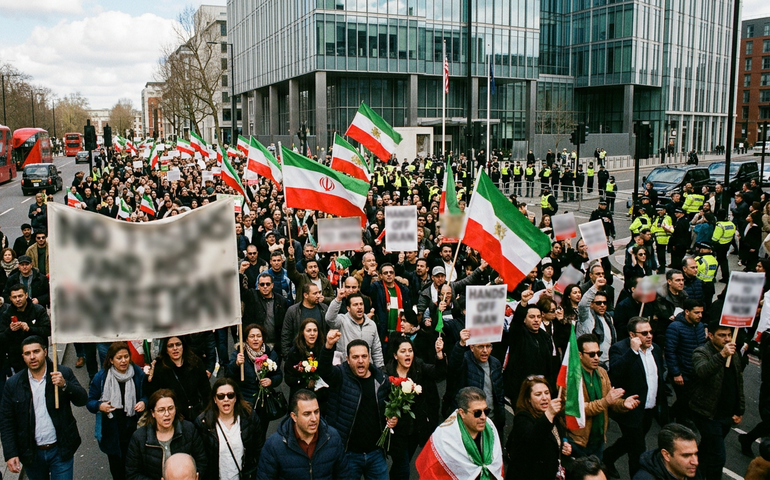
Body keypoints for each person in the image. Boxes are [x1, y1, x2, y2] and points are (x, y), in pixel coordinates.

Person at [0, 336, 87, 480]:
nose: (32, 357)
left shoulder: (62, 373)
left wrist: (65, 385)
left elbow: (82, 399)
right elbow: (6, 420)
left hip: (60, 449)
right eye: (27, 353)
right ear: (23, 356)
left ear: (45, 352)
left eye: (36, 351)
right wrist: (10, 453)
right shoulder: (14, 384)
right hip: (32, 454)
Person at [317, 331, 395, 480]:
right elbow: (324, 371)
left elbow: (389, 407)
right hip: (348, 454)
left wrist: (393, 417)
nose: (360, 361)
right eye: (355, 357)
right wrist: (328, 346)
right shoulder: (340, 376)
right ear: (347, 359)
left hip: (376, 454)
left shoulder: (382, 380)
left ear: (369, 357)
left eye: (364, 356)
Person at [603, 318, 667, 478]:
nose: (649, 336)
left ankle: (608, 456)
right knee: (638, 451)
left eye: (651, 332)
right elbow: (615, 374)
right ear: (632, 334)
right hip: (629, 409)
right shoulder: (620, 349)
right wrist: (632, 352)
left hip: (648, 408)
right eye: (644, 333)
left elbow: (658, 378)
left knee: (630, 441)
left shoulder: (656, 349)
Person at [564, 334, 639, 459]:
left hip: (598, 439)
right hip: (578, 441)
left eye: (599, 353)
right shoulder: (571, 378)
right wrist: (606, 401)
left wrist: (623, 403)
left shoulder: (602, 372)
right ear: (580, 355)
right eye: (592, 354)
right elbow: (578, 409)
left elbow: (610, 401)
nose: (597, 358)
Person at [384, 335, 446, 479]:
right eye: (403, 351)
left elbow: (439, 373)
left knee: (401, 465)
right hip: (396, 431)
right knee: (404, 468)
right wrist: (388, 416)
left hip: (414, 429)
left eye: (410, 351)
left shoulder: (419, 367)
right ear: (395, 355)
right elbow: (382, 401)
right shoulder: (387, 373)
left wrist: (439, 354)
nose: (408, 354)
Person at [689, 320, 744, 480]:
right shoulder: (701, 352)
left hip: (725, 415)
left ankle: (693, 475)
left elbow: (737, 382)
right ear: (710, 335)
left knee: (706, 451)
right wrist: (721, 356)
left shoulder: (733, 354)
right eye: (722, 335)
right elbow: (702, 371)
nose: (727, 339)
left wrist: (739, 410)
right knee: (718, 457)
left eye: (728, 335)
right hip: (707, 413)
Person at [87, 342, 148, 480]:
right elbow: (90, 402)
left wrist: (144, 402)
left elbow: (147, 395)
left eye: (126, 356)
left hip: (133, 428)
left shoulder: (137, 373)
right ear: (111, 360)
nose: (123, 361)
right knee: (117, 470)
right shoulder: (101, 377)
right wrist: (99, 406)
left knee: (135, 468)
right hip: (112, 431)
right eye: (119, 358)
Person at [256, 389, 348, 480]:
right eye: (307, 414)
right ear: (294, 417)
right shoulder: (274, 445)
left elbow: (344, 475)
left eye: (316, 412)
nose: (314, 418)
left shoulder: (332, 438)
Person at [415, 387, 504, 480]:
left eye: (486, 411)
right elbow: (433, 472)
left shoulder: (490, 427)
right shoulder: (444, 438)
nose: (483, 417)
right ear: (462, 413)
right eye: (477, 413)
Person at [125, 389, 207, 480]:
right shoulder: (139, 438)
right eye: (161, 410)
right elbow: (132, 473)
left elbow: (202, 461)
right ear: (153, 413)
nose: (167, 414)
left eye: (171, 408)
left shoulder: (189, 429)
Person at [194, 378, 264, 480]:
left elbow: (259, 449)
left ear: (235, 398)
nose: (226, 399)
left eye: (230, 395)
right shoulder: (203, 423)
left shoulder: (249, 417)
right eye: (221, 396)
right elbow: (200, 457)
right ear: (215, 399)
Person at [507, 376, 572, 480]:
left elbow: (558, 437)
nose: (544, 398)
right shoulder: (522, 418)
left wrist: (565, 445)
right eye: (538, 394)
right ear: (528, 399)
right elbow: (532, 442)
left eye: (547, 393)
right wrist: (549, 414)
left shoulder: (554, 416)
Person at [504, 293, 558, 401]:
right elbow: (516, 322)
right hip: (521, 390)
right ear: (524, 319)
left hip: (540, 389)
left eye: (539, 317)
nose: (536, 320)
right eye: (532, 317)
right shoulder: (519, 335)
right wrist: (523, 303)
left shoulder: (546, 337)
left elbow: (549, 366)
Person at [145, 336, 211, 422]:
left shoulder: (195, 362)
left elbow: (206, 391)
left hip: (195, 414)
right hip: (172, 417)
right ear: (166, 349)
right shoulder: (159, 367)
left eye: (178, 344)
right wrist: (149, 378)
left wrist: (206, 413)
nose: (175, 348)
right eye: (171, 346)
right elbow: (153, 395)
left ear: (183, 346)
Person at [665, 299, 706, 425]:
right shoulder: (675, 327)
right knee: (684, 399)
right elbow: (670, 351)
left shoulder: (699, 326)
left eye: (701, 312)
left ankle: (673, 415)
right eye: (696, 312)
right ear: (687, 312)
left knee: (690, 398)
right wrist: (676, 373)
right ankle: (677, 422)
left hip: (695, 371)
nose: (700, 315)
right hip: (682, 371)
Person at [228, 324, 283, 409]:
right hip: (245, 400)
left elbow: (278, 375)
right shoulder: (239, 354)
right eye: (252, 336)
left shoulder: (270, 353)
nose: (255, 339)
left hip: (264, 400)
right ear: (246, 339)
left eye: (258, 336)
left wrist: (271, 381)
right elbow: (228, 375)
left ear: (262, 339)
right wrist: (236, 364)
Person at [325, 291, 385, 369]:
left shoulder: (371, 324)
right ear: (348, 308)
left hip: (366, 369)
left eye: (361, 304)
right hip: (346, 369)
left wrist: (380, 368)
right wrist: (338, 299)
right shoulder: (342, 320)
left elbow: (376, 349)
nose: (359, 307)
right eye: (355, 305)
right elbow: (329, 318)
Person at [0, 283, 51, 373]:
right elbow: (2, 338)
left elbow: (47, 330)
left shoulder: (38, 310)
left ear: (26, 295)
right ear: (10, 298)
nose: (18, 299)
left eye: (20, 296)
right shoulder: (6, 314)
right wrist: (10, 330)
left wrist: (29, 329)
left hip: (38, 355)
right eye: (14, 297)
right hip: (17, 359)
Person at [240, 271, 289, 357]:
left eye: (267, 284)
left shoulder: (281, 300)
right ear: (258, 286)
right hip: (256, 344)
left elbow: (284, 324)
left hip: (275, 343)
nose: (265, 287)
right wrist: (241, 273)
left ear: (272, 285)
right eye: (262, 284)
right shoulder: (251, 295)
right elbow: (239, 290)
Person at [634, 424, 700, 480]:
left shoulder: (691, 471)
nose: (695, 462)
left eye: (696, 454)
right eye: (686, 456)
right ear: (666, 455)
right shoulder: (645, 478)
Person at [280, 283, 328, 360]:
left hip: (319, 355)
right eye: (315, 293)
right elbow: (286, 335)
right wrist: (288, 357)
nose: (318, 296)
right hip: (298, 356)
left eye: (319, 292)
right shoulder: (293, 311)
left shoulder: (324, 309)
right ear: (305, 295)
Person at [577, 279, 616, 370]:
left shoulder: (609, 318)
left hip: (608, 362)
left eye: (604, 303)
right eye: (598, 303)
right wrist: (596, 287)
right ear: (591, 304)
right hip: (589, 362)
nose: (602, 305)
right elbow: (582, 305)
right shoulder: (586, 316)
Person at [283, 317, 322, 398]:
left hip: (320, 395)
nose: (312, 333)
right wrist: (304, 382)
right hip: (299, 394)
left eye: (315, 330)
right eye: (308, 330)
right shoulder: (294, 351)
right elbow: (288, 377)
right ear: (302, 333)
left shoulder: (322, 350)